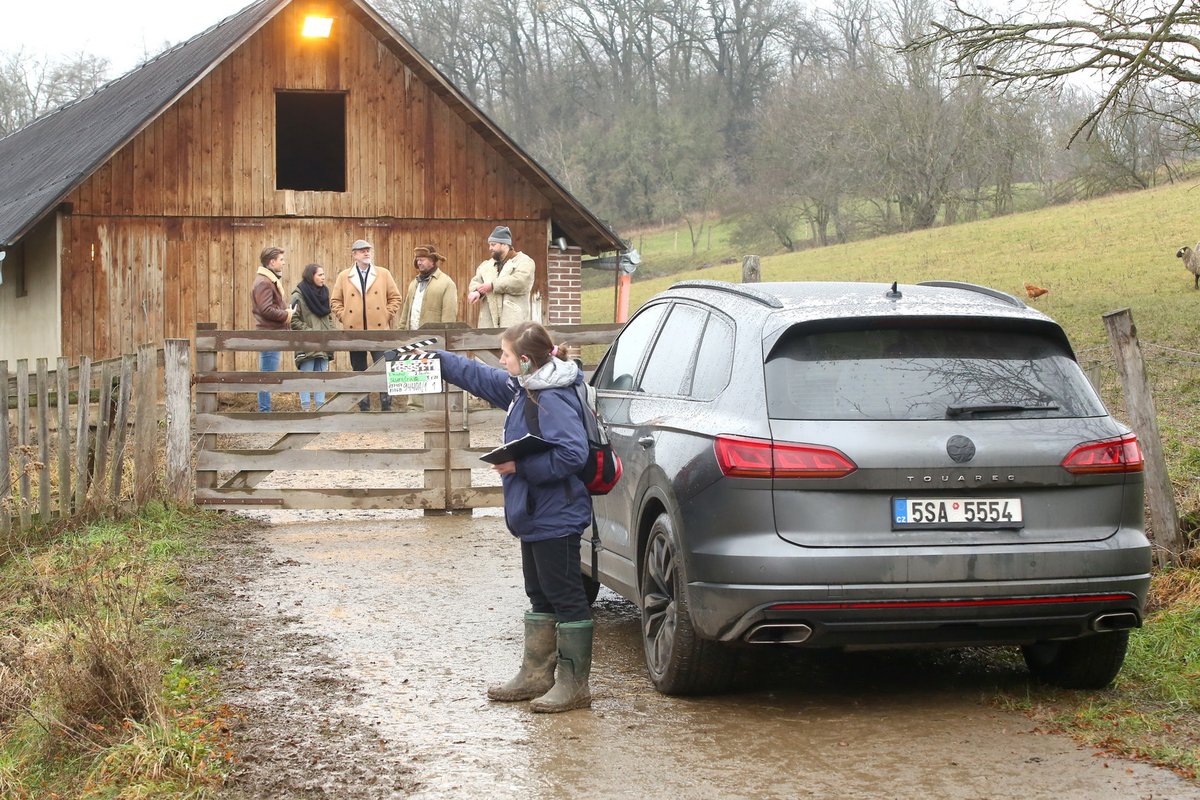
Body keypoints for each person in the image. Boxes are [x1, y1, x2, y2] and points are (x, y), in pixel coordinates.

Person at [434, 321, 594, 713]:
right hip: (536, 513)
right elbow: (479, 376)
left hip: (555, 513)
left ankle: (575, 686)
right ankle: (536, 676)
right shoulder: (525, 386)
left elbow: (574, 454)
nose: (500, 360)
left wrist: (519, 469)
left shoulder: (551, 396)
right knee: (539, 592)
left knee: (566, 595)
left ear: (524, 360)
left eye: (505, 354)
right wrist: (434, 358)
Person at [329, 239, 402, 411]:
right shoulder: (344, 276)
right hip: (354, 332)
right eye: (362, 251)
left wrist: (386, 315)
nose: (367, 253)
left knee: (383, 368)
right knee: (359, 369)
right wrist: (344, 317)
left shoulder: (383, 274)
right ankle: (364, 407)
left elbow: (395, 298)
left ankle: (386, 406)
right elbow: (335, 301)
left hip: (379, 331)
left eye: (368, 250)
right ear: (354, 255)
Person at [397, 244, 459, 411]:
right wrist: (402, 332)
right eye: (417, 259)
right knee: (414, 370)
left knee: (433, 371)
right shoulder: (413, 283)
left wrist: (445, 337)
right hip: (414, 335)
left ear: (433, 261)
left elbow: (449, 314)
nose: (419, 263)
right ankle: (415, 408)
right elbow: (406, 310)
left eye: (422, 259)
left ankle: (434, 409)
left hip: (434, 338)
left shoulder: (446, 283)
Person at [251, 246, 294, 412]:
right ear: (272, 262)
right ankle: (265, 412)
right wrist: (286, 314)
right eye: (281, 260)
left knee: (267, 374)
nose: (283, 263)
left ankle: (265, 411)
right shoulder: (264, 282)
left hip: (272, 334)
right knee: (266, 376)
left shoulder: (267, 281)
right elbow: (266, 309)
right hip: (269, 335)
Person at [467, 226, 536, 328]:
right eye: (490, 245)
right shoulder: (486, 266)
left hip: (514, 322)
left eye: (493, 245)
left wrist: (493, 285)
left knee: (514, 342)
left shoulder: (524, 262)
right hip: (489, 324)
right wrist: (477, 291)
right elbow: (476, 282)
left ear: (504, 244)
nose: (490, 248)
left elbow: (521, 282)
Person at [290, 263, 337, 411]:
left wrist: (331, 332)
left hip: (323, 342)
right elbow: (293, 319)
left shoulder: (324, 294)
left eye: (323, 274)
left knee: (321, 376)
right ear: (312, 276)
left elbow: (328, 316)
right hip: (307, 342)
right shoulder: (298, 295)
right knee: (307, 376)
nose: (323, 277)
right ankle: (305, 409)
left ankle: (319, 409)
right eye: (320, 274)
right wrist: (311, 333)